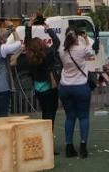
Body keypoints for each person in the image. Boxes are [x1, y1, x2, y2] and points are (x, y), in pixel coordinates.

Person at [58, 26, 96, 159]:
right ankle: (83, 147)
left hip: (65, 87)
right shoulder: (81, 48)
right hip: (80, 86)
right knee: (84, 117)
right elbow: (91, 53)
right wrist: (85, 39)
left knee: (70, 117)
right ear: (76, 37)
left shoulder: (61, 50)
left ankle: (69, 146)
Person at [24, 14, 60, 132]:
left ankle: (45, 137)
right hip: (50, 88)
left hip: (38, 88)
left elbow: (27, 41)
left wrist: (29, 24)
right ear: (42, 45)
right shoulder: (48, 54)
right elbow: (56, 41)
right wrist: (48, 29)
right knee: (50, 115)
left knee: (45, 112)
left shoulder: (30, 58)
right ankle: (48, 140)